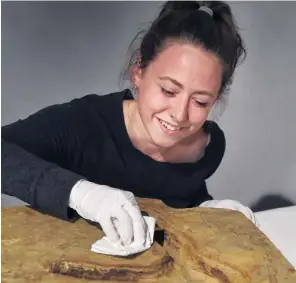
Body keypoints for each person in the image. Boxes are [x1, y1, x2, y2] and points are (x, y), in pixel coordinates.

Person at [1, 1, 258, 249]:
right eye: (168, 91)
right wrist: (81, 194)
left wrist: (206, 210)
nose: (179, 115)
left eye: (200, 102)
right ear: (138, 73)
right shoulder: (85, 124)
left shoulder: (208, 147)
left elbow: (179, 195)